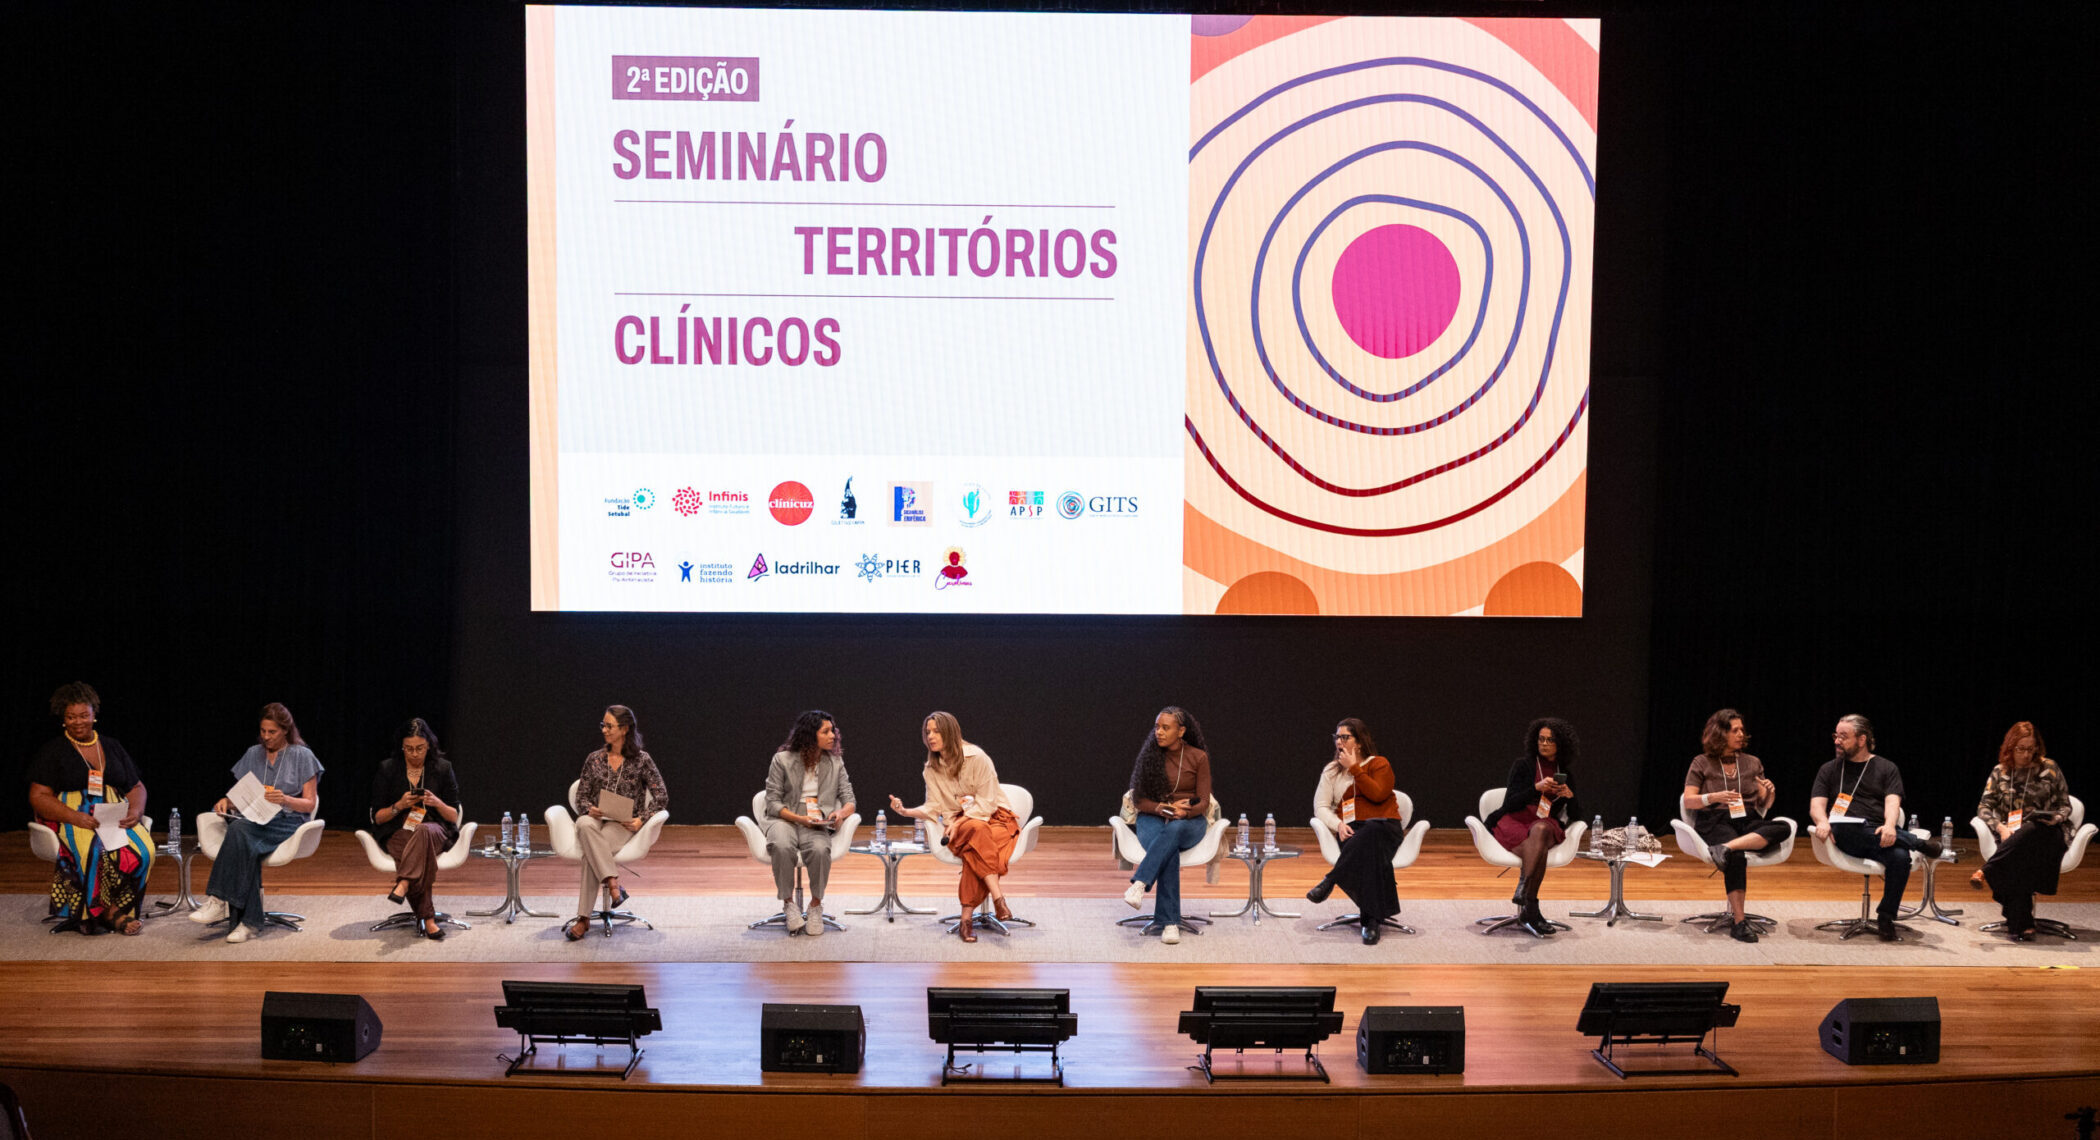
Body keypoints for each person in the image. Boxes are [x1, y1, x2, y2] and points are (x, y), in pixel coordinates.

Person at [27, 682, 154, 935]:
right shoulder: (53, 751)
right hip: (73, 816)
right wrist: (74, 817)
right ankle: (107, 914)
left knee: (145, 851)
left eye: (84, 715)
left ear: (94, 714)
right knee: (94, 851)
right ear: (63, 719)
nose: (78, 722)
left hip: (114, 814)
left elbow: (136, 786)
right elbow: (38, 796)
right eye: (71, 717)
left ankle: (119, 907)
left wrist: (135, 812)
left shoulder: (112, 746)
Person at [192, 703, 324, 943]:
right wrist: (226, 802)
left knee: (240, 831)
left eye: (272, 732)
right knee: (243, 838)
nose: (266, 737)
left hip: (288, 820)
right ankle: (249, 922)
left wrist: (284, 798)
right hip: (255, 818)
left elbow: (309, 803)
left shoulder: (302, 755)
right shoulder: (254, 753)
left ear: (285, 730)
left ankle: (219, 899)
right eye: (263, 731)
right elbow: (240, 793)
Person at [1809, 714, 1941, 941]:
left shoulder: (1886, 768)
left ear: (1862, 740)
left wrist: (1890, 826)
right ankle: (1916, 843)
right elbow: (1816, 806)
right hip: (1843, 834)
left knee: (1900, 858)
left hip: (1877, 834)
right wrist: (1822, 821)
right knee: (1844, 825)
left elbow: (1893, 803)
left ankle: (1886, 917)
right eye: (1836, 736)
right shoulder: (1829, 769)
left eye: (1843, 736)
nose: (1837, 741)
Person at [887, 711, 1015, 943]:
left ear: (951, 732)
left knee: (974, 842)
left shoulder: (978, 758)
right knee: (975, 833)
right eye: (928, 732)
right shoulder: (931, 768)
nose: (931, 736)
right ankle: (999, 899)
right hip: (962, 825)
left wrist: (959, 822)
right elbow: (934, 807)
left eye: (936, 731)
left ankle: (967, 919)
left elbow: (986, 803)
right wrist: (905, 811)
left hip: (995, 818)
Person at [1681, 709, 1790, 943]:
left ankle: (1725, 847)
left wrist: (1769, 792)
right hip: (1715, 819)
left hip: (1746, 818)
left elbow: (1763, 804)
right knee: (1737, 857)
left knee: (1783, 827)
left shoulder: (1752, 762)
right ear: (1720, 733)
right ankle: (1739, 923)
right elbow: (1688, 799)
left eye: (1742, 730)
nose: (1741, 734)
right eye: (1735, 730)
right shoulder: (1702, 762)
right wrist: (1714, 797)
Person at [565, 704, 669, 941]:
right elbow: (581, 795)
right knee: (582, 824)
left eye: (609, 726)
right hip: (595, 820)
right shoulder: (594, 759)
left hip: (622, 825)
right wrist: (588, 809)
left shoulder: (642, 760)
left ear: (624, 729)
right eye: (603, 725)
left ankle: (583, 919)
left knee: (590, 854)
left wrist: (640, 820)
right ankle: (613, 884)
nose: (604, 730)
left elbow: (661, 795)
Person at [1116, 706, 1213, 945]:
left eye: (1165, 728)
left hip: (1189, 822)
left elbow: (1204, 801)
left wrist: (1184, 810)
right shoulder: (1151, 756)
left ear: (1181, 731)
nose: (1158, 732)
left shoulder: (1198, 757)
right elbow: (1139, 800)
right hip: (1153, 817)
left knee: (1175, 830)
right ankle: (1170, 923)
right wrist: (1163, 808)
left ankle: (1140, 883)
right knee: (1168, 850)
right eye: (1157, 727)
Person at [1971, 721, 2074, 941]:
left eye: (2031, 748)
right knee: (2018, 859)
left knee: (2032, 827)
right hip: (2013, 838)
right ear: (2010, 747)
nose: (2026, 754)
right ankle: (2022, 924)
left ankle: (1987, 870)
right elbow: (1984, 807)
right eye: (2021, 749)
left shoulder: (2050, 768)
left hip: (2048, 834)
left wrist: (2055, 817)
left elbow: (2066, 805)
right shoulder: (2000, 772)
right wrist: (2000, 827)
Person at [1306, 718, 1405, 944]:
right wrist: (1338, 825)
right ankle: (1370, 921)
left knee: (1371, 831)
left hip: (1385, 827)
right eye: (1337, 737)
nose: (1339, 741)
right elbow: (1320, 807)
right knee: (1369, 851)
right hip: (1352, 832)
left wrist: (1355, 770)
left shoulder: (1379, 764)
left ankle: (1330, 880)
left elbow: (1378, 794)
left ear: (1359, 742)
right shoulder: (1331, 771)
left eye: (1345, 737)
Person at [761, 710, 857, 936]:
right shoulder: (782, 760)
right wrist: (799, 818)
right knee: (782, 846)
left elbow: (850, 800)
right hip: (784, 817)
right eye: (826, 731)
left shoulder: (835, 763)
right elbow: (772, 802)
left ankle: (815, 905)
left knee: (820, 848)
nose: (832, 735)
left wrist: (840, 814)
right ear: (810, 735)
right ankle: (789, 904)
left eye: (833, 730)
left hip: (816, 820)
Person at [1483, 718, 1583, 936]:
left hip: (1544, 823)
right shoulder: (1523, 765)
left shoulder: (1564, 772)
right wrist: (1535, 788)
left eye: (1550, 740)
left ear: (1561, 744)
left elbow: (1576, 815)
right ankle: (1531, 905)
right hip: (1516, 820)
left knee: (1541, 830)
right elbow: (1509, 803)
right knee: (1538, 844)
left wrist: (1570, 796)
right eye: (1541, 739)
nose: (1544, 744)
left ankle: (1526, 892)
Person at [367, 717, 462, 940]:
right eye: (409, 748)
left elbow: (453, 816)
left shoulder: (442, 768)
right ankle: (428, 919)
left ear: (429, 745)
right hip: (398, 831)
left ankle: (405, 882)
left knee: (423, 832)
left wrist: (436, 802)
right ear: (402, 747)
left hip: (435, 828)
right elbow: (378, 818)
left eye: (420, 748)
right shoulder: (388, 769)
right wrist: (399, 805)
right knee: (420, 852)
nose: (414, 754)